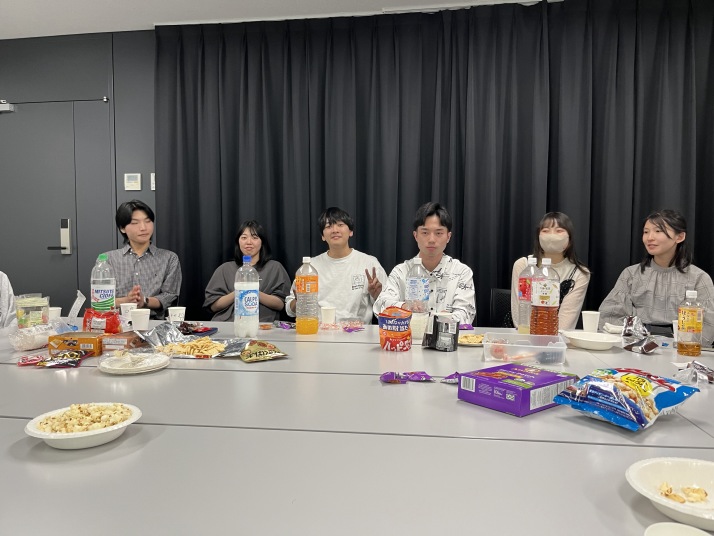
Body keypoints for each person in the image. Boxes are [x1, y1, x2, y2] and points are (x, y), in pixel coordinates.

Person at [599, 209, 714, 344]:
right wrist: (638, 336)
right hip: (635, 346)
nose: (649, 238)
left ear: (680, 237)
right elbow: (609, 317)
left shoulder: (699, 278)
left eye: (658, 231)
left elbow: (708, 328)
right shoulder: (631, 274)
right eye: (646, 232)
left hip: (682, 348)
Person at [373, 202, 476, 324]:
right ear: (415, 235)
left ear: (448, 237)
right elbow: (380, 307)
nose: (431, 240)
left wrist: (436, 318)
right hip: (408, 335)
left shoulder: (461, 272)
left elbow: (466, 315)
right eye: (425, 232)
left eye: (438, 233)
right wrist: (405, 307)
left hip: (444, 336)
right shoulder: (401, 271)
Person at [285, 207, 387, 325]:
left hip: (357, 332)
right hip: (318, 331)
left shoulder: (369, 263)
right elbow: (289, 309)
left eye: (340, 225)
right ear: (323, 236)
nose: (335, 230)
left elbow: (388, 305)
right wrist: (300, 301)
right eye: (328, 226)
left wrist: (377, 295)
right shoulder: (310, 267)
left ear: (351, 232)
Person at [510, 212, 591, 330]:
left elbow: (565, 324)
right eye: (546, 231)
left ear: (569, 239)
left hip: (557, 337)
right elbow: (520, 317)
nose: (552, 236)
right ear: (538, 237)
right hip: (524, 334)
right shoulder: (523, 265)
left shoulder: (580, 273)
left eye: (559, 231)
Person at [104, 200, 182, 319]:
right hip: (116, 323)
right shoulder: (108, 260)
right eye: (135, 223)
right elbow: (101, 301)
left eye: (148, 221)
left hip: (154, 323)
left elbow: (169, 296)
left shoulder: (169, 258)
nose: (143, 227)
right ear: (122, 228)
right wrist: (127, 300)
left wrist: (144, 301)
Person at [204, 220, 291, 322]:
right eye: (244, 237)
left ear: (262, 242)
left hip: (262, 325)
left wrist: (253, 291)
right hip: (227, 323)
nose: (249, 242)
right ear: (238, 241)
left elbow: (281, 304)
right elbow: (213, 306)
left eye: (254, 237)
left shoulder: (275, 268)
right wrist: (239, 291)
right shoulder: (224, 269)